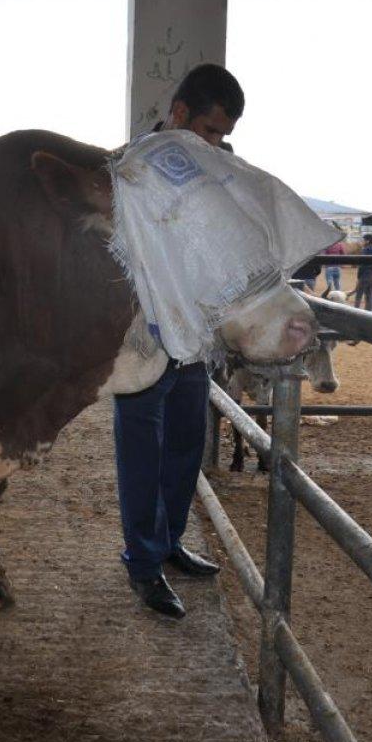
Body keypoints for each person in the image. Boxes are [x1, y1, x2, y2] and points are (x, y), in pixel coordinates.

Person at [114, 63, 244, 619]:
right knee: (143, 449)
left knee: (186, 442)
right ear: (181, 113)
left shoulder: (214, 171)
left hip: (192, 334)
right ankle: (142, 562)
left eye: (223, 136)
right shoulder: (131, 167)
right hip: (145, 334)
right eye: (210, 131)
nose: (216, 144)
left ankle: (167, 543)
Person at [354, 233, 372, 312]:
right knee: (370, 295)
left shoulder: (365, 249)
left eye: (364, 240)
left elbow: (362, 263)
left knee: (359, 294)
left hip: (365, 273)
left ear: (368, 241)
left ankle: (355, 311)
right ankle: (368, 312)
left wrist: (359, 276)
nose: (363, 241)